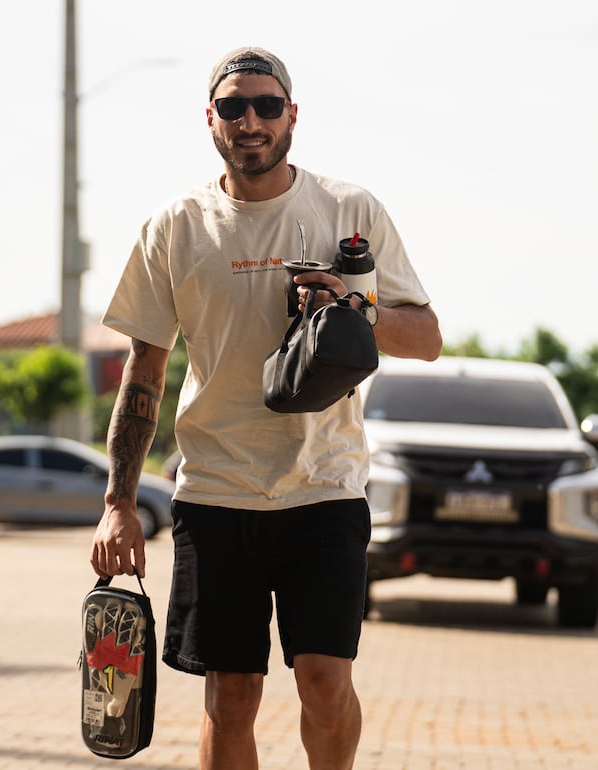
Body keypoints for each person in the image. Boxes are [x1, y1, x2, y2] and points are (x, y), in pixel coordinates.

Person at [91, 46, 442, 770]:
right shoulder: (175, 226)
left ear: (292, 114)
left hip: (325, 485)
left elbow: (427, 337)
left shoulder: (349, 210)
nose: (250, 121)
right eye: (233, 107)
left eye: (266, 105)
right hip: (216, 492)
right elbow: (144, 372)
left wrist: (353, 308)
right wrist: (118, 503)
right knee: (230, 695)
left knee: (326, 683)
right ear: (210, 118)